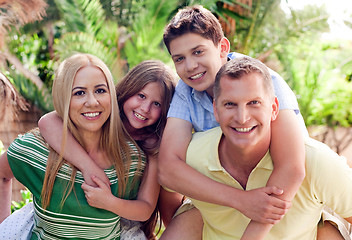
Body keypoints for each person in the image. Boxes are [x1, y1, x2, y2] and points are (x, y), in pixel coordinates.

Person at [158, 5, 305, 239]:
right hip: (224, 196)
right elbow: (167, 169)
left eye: (198, 52)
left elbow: (291, 167)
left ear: (222, 47)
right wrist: (241, 201)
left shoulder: (263, 81)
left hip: (277, 193)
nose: (190, 66)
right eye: (179, 58)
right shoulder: (186, 90)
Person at [185, 56, 352, 240]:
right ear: (215, 110)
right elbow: (169, 198)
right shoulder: (192, 156)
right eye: (230, 104)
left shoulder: (315, 161)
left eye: (254, 103)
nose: (242, 117)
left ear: (274, 108)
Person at [0, 53, 155, 239]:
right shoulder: (34, 150)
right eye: (79, 93)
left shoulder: (130, 160)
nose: (92, 102)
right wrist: (4, 227)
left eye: (100, 90)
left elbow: (143, 210)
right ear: (63, 98)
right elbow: (2, 174)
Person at [37, 59, 177, 239]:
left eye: (156, 104)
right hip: (67, 219)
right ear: (128, 89)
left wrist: (109, 202)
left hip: (120, 225)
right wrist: (89, 167)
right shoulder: (100, 116)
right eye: (141, 96)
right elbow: (47, 121)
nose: (145, 108)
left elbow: (145, 209)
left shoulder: (153, 147)